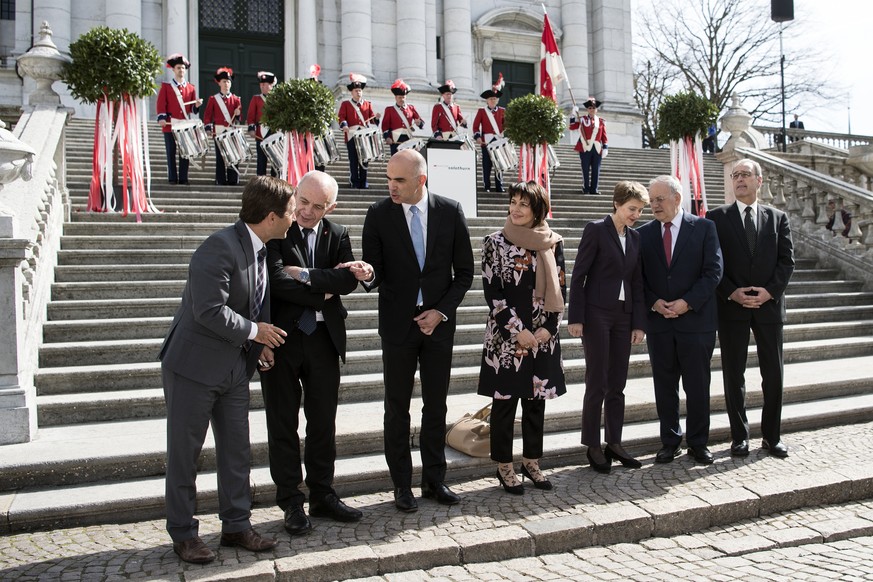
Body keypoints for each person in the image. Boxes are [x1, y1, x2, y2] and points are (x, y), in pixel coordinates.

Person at [158, 176, 294, 564]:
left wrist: (260, 345)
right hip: (193, 368)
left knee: (236, 451)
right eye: (288, 212)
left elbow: (256, 298)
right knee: (185, 455)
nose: (292, 218)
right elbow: (209, 310)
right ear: (271, 216)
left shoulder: (262, 248)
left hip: (235, 368)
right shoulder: (218, 246)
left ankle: (236, 525)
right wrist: (256, 331)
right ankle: (183, 534)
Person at [260, 171, 373, 536]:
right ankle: (291, 501)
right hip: (281, 339)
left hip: (325, 338)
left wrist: (305, 275)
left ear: (331, 206)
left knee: (323, 423)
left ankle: (322, 494)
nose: (307, 212)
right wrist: (323, 283)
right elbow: (275, 280)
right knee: (283, 424)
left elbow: (347, 281)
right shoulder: (277, 226)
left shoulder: (337, 234)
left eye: (317, 206)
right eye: (303, 201)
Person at [361, 149, 474, 512]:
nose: (391, 187)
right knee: (396, 408)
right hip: (398, 326)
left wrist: (440, 311)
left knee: (435, 405)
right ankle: (401, 486)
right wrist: (366, 275)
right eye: (388, 179)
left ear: (421, 180)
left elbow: (465, 274)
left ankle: (434, 480)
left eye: (399, 181)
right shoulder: (378, 215)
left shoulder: (450, 210)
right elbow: (375, 272)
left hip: (438, 327)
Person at [478, 181, 566, 495]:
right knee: (504, 405)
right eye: (513, 202)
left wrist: (547, 329)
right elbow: (494, 295)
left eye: (523, 204)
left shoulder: (553, 243)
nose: (515, 209)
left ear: (537, 209)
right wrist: (520, 331)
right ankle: (504, 466)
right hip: (506, 341)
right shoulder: (494, 242)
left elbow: (560, 289)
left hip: (542, 338)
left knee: (535, 405)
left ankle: (531, 461)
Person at [706, 159, 795, 458]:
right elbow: (711, 263)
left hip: (769, 308)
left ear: (759, 180)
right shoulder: (715, 218)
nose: (740, 179)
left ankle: (772, 436)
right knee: (734, 373)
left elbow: (787, 261)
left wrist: (770, 292)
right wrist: (732, 292)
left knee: (774, 373)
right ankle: (739, 437)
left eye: (746, 175)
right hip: (733, 307)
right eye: (736, 175)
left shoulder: (778, 217)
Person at [638, 175, 723, 465]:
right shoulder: (644, 233)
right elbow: (638, 277)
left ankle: (699, 443)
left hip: (696, 322)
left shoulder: (704, 228)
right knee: (664, 385)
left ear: (677, 198)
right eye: (651, 201)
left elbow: (713, 271)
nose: (654, 205)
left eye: (659, 199)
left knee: (697, 385)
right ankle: (670, 441)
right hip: (660, 323)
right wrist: (654, 302)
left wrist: (687, 302)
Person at [568, 181, 649, 473]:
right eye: (631, 209)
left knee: (618, 383)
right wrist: (576, 317)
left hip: (623, 316)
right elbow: (579, 276)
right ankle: (592, 444)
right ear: (616, 204)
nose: (636, 215)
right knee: (597, 381)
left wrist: (639, 323)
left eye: (640, 210)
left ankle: (614, 441)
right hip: (596, 314)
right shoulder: (596, 230)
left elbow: (637, 283)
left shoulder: (636, 238)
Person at [156, 53, 202, 185]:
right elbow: (161, 104)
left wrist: (197, 105)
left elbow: (192, 109)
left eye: (183, 68)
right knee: (171, 152)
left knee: (185, 152)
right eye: (178, 68)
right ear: (173, 70)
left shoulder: (191, 87)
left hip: (184, 124)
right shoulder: (166, 86)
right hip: (170, 124)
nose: (181, 70)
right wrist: (162, 118)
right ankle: (172, 178)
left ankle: (183, 178)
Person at [337, 73, 381, 189]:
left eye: (360, 90)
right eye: (356, 90)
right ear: (352, 92)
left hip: (364, 136)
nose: (358, 92)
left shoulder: (367, 104)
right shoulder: (346, 104)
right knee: (354, 160)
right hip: (351, 135)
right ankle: (354, 182)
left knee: (365, 159)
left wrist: (376, 118)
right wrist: (344, 125)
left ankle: (363, 181)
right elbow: (341, 117)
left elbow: (372, 121)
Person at [203, 67, 242, 186]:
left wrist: (239, 114)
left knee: (233, 156)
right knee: (220, 157)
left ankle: (233, 179)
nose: (226, 84)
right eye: (224, 81)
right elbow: (208, 116)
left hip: (231, 131)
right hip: (218, 131)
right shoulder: (213, 99)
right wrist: (208, 128)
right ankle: (220, 179)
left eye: (228, 81)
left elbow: (239, 117)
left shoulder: (236, 99)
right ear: (219, 83)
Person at [569, 97, 608, 195]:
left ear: (596, 109)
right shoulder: (581, 119)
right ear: (587, 109)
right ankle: (586, 188)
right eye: (590, 108)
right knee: (585, 169)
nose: (592, 109)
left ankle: (594, 189)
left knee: (596, 169)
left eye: (594, 108)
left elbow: (604, 136)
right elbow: (572, 126)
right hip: (585, 147)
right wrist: (573, 114)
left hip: (597, 147)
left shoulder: (601, 121)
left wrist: (605, 147)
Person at [473, 78, 506, 193]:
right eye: (491, 99)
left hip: (498, 141)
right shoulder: (481, 111)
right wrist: (478, 138)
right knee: (487, 165)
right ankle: (487, 186)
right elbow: (475, 127)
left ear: (497, 100)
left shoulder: (502, 111)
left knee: (499, 164)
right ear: (487, 100)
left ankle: (499, 185)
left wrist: (505, 135)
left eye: (495, 99)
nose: (493, 100)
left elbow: (506, 126)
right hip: (486, 141)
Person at [382, 79, 425, 156]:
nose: (401, 99)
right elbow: (385, 127)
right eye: (399, 97)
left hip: (408, 139)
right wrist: (387, 137)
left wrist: (419, 123)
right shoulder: (389, 110)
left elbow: (421, 122)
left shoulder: (411, 108)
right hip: (395, 140)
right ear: (395, 97)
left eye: (403, 97)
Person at [246, 71, 277, 177]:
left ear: (271, 85)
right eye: (261, 84)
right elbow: (251, 116)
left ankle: (275, 181)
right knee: (261, 160)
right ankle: (260, 181)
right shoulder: (256, 99)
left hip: (274, 131)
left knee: (275, 159)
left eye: (265, 84)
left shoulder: (277, 99)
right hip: (260, 132)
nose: (262, 86)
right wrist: (251, 128)